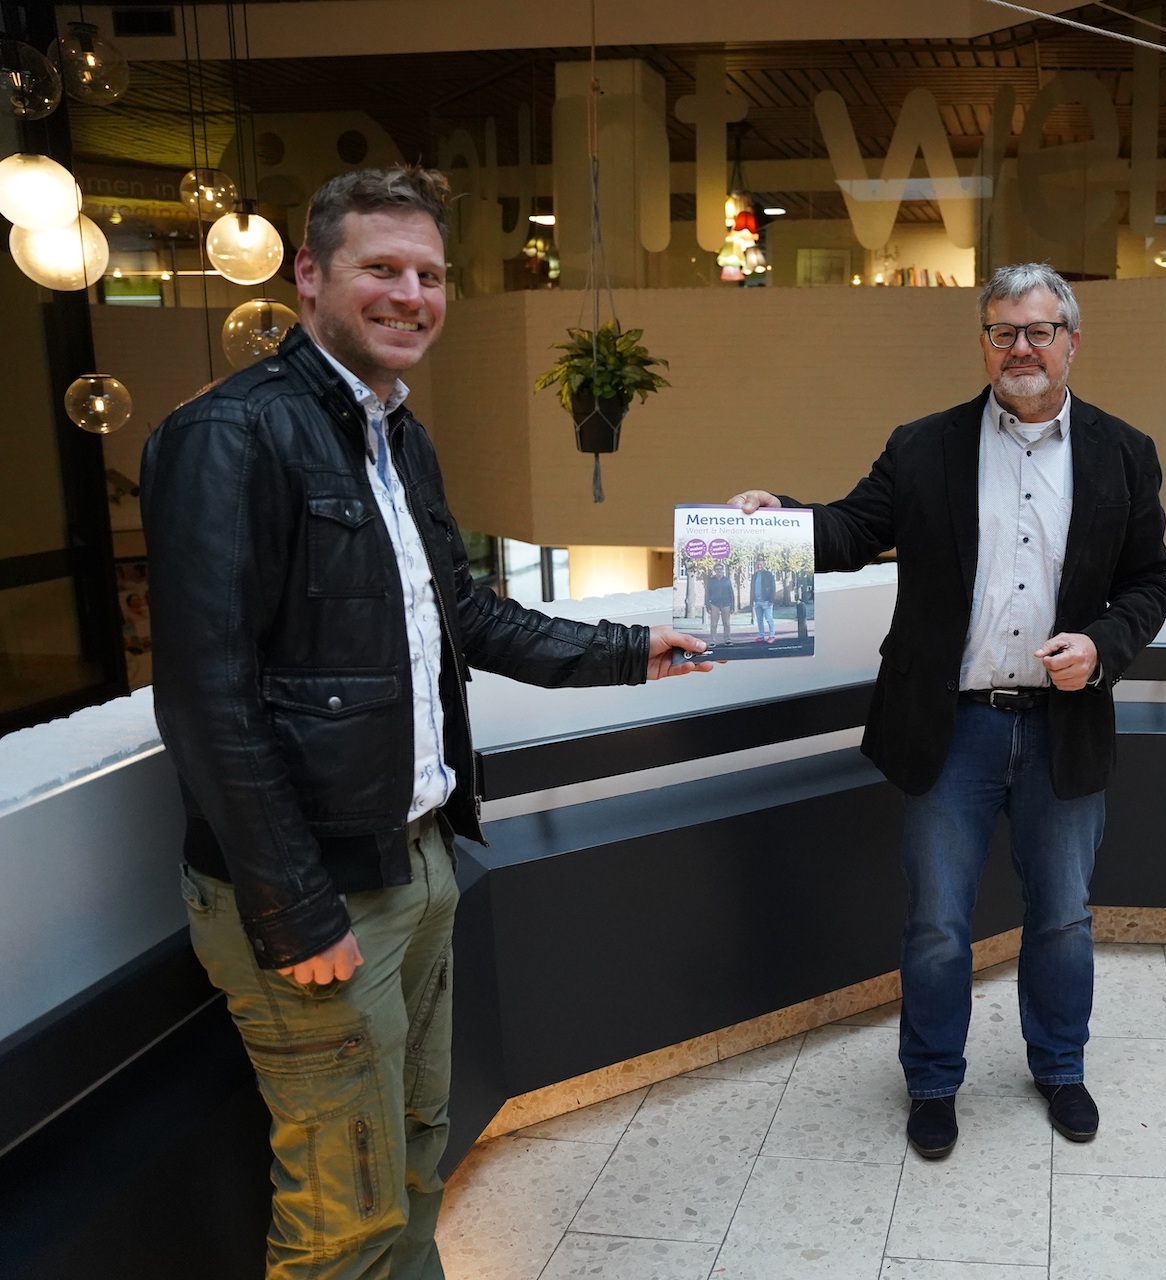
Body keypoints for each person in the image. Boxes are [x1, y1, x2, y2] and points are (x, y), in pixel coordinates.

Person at [141, 165, 713, 1279]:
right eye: (382, 269)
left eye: (431, 275)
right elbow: (207, 699)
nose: (412, 295)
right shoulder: (229, 436)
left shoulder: (399, 437)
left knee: (413, 1153)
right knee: (342, 1214)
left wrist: (626, 649)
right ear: (309, 277)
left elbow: (467, 615)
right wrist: (296, 910)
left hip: (419, 859)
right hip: (318, 895)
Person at [729, 262, 1166, 1159]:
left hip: (1064, 727)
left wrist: (1102, 646)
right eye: (1003, 332)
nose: (1021, 348)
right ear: (984, 344)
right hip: (951, 729)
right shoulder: (924, 446)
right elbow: (854, 530)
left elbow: (1147, 584)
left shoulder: (1125, 452)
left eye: (1039, 331)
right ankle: (933, 1082)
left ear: (1071, 343)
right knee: (937, 923)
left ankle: (1060, 1067)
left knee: (1063, 917)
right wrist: (778, 520)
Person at [705, 564, 735, 643]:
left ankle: (727, 639)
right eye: (717, 569)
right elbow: (707, 593)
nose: (719, 571)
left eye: (720, 569)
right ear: (714, 571)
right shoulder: (711, 581)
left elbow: (731, 593)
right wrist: (707, 606)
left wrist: (732, 606)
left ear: (723, 570)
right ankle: (713, 640)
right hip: (714, 604)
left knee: (726, 623)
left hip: (726, 604)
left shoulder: (727, 580)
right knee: (713, 624)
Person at [751, 555, 778, 642]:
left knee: (769, 619)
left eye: (761, 564)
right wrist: (752, 600)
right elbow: (752, 588)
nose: (759, 566)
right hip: (757, 601)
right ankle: (761, 636)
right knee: (759, 620)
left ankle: (772, 636)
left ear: (764, 565)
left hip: (766, 601)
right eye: (758, 564)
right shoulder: (754, 575)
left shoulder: (768, 574)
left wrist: (772, 600)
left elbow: (773, 587)